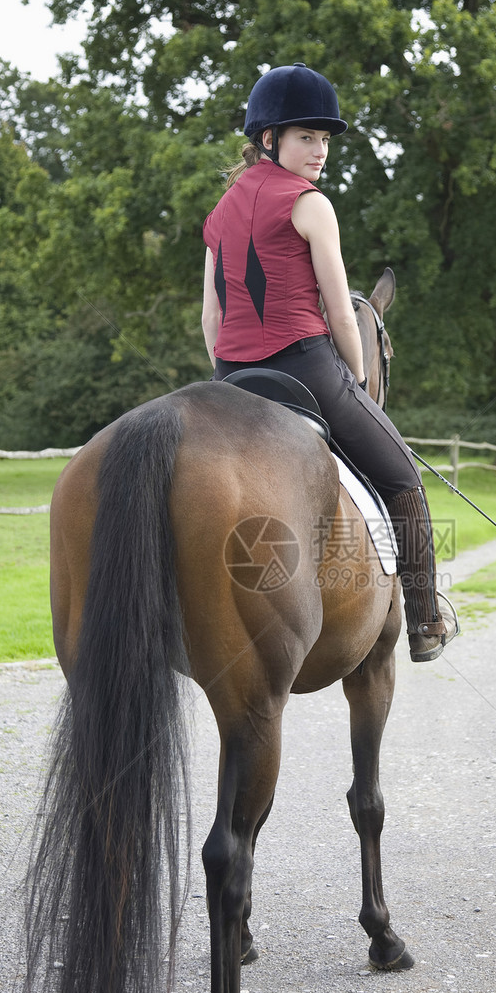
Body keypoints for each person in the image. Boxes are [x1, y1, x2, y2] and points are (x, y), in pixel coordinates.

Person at [202, 62, 455, 663]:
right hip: (309, 367)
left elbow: (211, 321)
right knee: (402, 480)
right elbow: (343, 316)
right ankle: (423, 621)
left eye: (324, 140)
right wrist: (360, 385)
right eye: (305, 137)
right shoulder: (311, 204)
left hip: (231, 379)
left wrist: (227, 375)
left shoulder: (219, 214)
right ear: (269, 139)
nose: (319, 152)